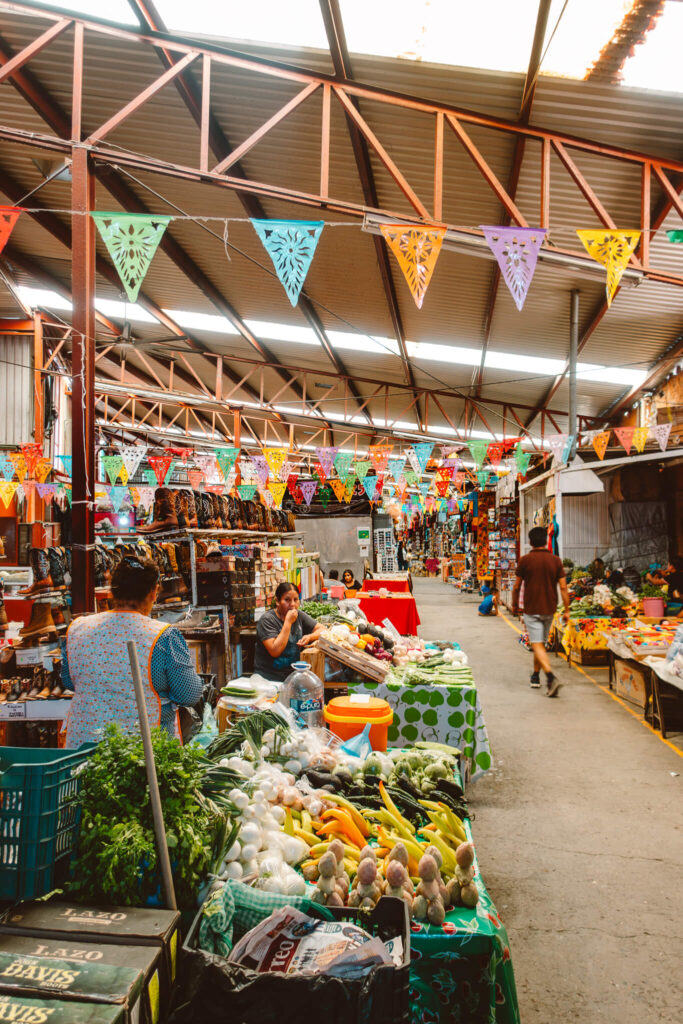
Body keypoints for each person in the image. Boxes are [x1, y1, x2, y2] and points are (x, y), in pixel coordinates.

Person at [63, 556, 203, 747]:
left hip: (84, 748)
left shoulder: (78, 628)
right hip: (143, 754)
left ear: (112, 591)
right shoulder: (163, 636)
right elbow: (189, 693)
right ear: (154, 592)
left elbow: (69, 680)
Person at [512, 526, 570, 698]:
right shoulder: (556, 561)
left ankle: (550, 677)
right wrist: (567, 610)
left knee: (536, 644)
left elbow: (516, 586)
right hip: (549, 608)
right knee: (540, 644)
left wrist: (515, 605)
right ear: (546, 540)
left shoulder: (525, 560)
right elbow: (564, 587)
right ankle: (535, 676)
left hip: (532, 608)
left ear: (530, 542)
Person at [254, 581, 324, 682]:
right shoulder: (267, 620)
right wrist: (288, 622)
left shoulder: (299, 615)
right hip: (268, 679)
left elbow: (322, 629)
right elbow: (275, 651)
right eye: (287, 600)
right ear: (277, 601)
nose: (292, 604)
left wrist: (309, 637)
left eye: (295, 600)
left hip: (291, 677)